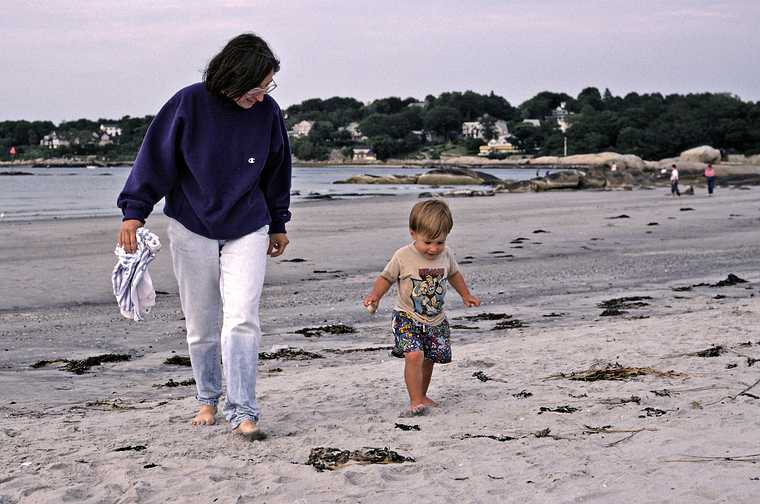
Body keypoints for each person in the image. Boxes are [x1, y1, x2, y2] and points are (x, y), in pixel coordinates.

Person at [116, 33, 291, 439]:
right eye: (257, 87)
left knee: (243, 318)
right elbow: (155, 159)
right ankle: (207, 398)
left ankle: (244, 410)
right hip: (191, 222)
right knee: (201, 322)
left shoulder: (267, 113)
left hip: (248, 223)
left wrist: (279, 222)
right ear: (233, 75)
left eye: (268, 87)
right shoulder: (189, 103)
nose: (263, 96)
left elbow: (277, 170)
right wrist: (134, 213)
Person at [363, 199, 480, 415]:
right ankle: (415, 400)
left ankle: (422, 394)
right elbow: (386, 278)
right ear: (413, 233)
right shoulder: (403, 256)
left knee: (429, 359)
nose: (434, 249)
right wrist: (375, 295)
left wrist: (466, 295)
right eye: (428, 242)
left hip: (435, 319)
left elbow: (454, 275)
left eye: (440, 242)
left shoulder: (447, 254)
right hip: (407, 316)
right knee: (414, 355)